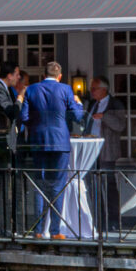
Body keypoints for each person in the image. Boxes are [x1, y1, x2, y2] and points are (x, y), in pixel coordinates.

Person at [22, 61, 86, 236]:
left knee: (40, 186)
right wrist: (79, 104)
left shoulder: (32, 89)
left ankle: (38, 231)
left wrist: (37, 125)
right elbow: (77, 116)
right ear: (59, 76)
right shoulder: (65, 89)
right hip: (59, 142)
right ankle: (56, 231)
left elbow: (24, 116)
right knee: (57, 186)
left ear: (44, 75)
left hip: (38, 141)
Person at [87, 78, 126, 231]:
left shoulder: (115, 104)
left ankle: (113, 221)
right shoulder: (92, 104)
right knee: (94, 187)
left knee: (109, 187)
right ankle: (99, 220)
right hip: (91, 150)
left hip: (107, 151)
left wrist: (104, 116)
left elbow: (120, 125)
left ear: (104, 89)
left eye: (94, 88)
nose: (92, 91)